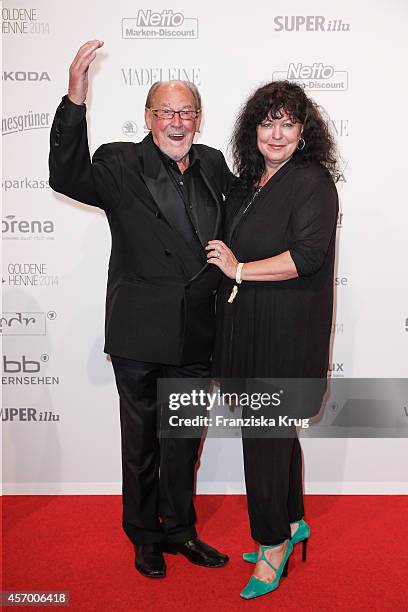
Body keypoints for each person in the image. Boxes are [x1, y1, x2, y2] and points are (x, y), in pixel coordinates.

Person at [49, 40, 233, 579]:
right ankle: (144, 535)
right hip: (139, 332)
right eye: (166, 112)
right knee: (143, 444)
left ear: (198, 119)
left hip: (197, 331)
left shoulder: (214, 164)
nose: (177, 122)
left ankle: (180, 530)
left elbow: (243, 215)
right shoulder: (119, 161)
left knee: (183, 444)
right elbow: (66, 175)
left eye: (186, 112)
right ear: (149, 117)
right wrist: (75, 99)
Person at [206, 80, 339, 599]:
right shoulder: (253, 182)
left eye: (288, 123)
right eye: (267, 123)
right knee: (274, 438)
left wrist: (239, 269)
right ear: (253, 130)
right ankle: (294, 520)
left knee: (263, 444)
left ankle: (272, 546)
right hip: (249, 330)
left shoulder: (311, 182)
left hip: (284, 336)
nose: (277, 133)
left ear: (304, 131)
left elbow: (305, 258)